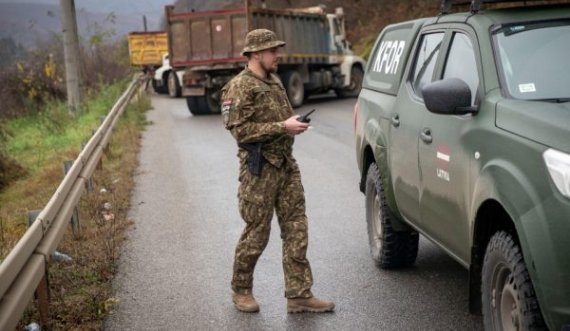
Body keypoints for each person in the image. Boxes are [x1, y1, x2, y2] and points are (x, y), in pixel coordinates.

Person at [221, 29, 335, 314]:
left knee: (297, 227)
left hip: (286, 164)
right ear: (257, 53)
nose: (278, 56)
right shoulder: (239, 87)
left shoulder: (274, 82)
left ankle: (299, 295)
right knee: (257, 233)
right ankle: (241, 290)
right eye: (273, 51)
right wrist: (283, 128)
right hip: (258, 169)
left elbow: (280, 118)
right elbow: (241, 131)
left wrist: (293, 122)